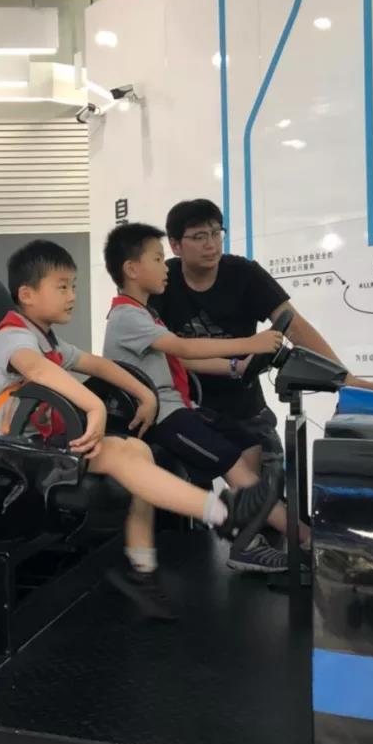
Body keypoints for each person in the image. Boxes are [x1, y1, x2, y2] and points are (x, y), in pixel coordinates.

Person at [0, 239, 279, 619]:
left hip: (30, 445)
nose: (72, 295)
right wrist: (93, 405)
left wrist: (144, 394)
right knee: (114, 453)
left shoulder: (48, 340)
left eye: (73, 286)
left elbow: (98, 364)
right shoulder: (13, 337)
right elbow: (34, 368)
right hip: (3, 453)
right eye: (62, 287)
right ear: (27, 295)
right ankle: (224, 515)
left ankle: (140, 570)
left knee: (138, 450)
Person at [102, 223, 311, 572]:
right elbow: (183, 348)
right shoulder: (126, 317)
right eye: (158, 259)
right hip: (163, 419)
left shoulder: (145, 314)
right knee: (233, 464)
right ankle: (302, 538)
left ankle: (252, 530)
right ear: (132, 269)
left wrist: (237, 366)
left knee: (248, 440)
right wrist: (251, 342)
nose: (165, 268)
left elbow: (181, 360)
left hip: (180, 408)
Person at [152, 199, 373, 466]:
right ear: (175, 245)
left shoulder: (245, 274)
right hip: (185, 408)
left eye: (216, 233)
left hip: (244, 408)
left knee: (271, 479)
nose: (211, 244)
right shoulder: (162, 280)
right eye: (199, 237)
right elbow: (159, 351)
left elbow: (295, 326)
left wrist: (346, 379)